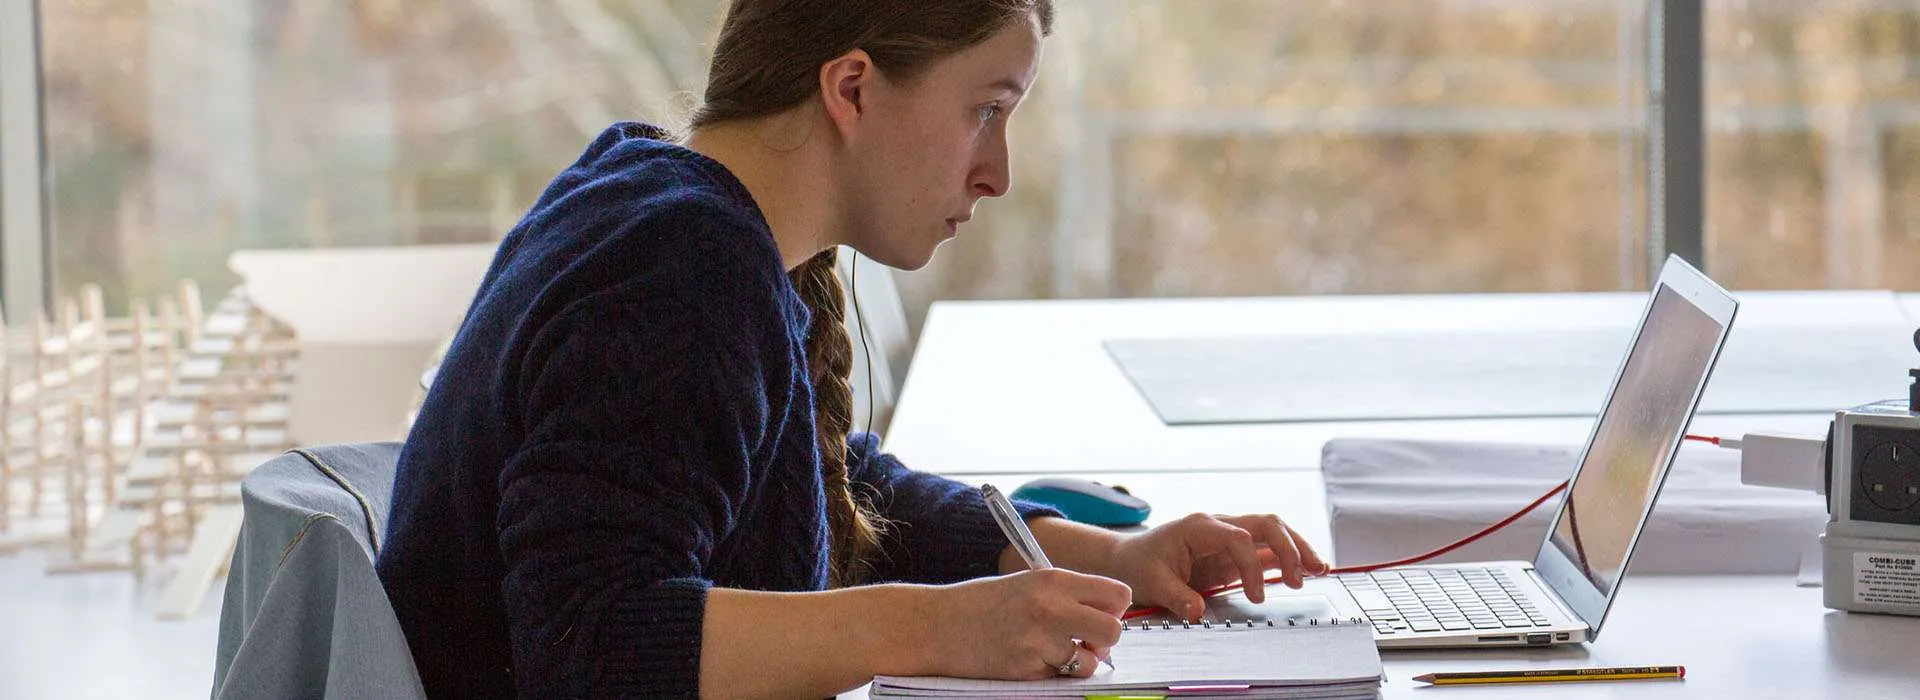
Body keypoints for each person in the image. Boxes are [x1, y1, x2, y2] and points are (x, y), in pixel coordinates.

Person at [375, 1, 1329, 698]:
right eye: (987, 109)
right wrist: (937, 629)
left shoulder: (670, 207)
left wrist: (1112, 555)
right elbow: (588, 643)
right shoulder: (678, 269)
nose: (997, 172)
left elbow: (828, 487)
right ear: (852, 88)